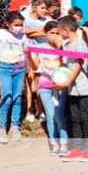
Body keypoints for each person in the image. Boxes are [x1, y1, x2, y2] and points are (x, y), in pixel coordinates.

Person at [56, 16, 88, 161]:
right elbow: (64, 66)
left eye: (60, 31)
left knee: (86, 118)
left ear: (66, 30)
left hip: (83, 87)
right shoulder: (66, 45)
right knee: (75, 119)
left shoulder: (80, 44)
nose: (60, 34)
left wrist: (68, 81)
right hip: (72, 89)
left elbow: (79, 65)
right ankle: (78, 148)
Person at [0, 12, 28, 144]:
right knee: (7, 97)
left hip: (19, 69)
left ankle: (15, 126)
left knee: (17, 97)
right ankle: (1, 127)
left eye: (21, 25)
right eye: (16, 25)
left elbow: (26, 51)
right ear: (8, 24)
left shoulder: (23, 36)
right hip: (5, 68)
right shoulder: (0, 33)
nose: (19, 27)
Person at [27, 20, 68, 155]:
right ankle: (54, 143)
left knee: (59, 115)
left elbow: (66, 65)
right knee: (50, 115)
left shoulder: (64, 47)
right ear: (45, 33)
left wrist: (61, 48)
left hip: (60, 85)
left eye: (57, 33)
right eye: (51, 33)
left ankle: (64, 143)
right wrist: (29, 56)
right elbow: (35, 67)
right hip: (45, 85)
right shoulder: (41, 48)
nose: (54, 35)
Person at [22, 0, 49, 122]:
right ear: (34, 7)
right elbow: (22, 31)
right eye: (42, 8)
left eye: (46, 8)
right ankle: (29, 109)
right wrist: (39, 30)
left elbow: (48, 32)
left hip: (43, 54)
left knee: (40, 82)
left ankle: (41, 110)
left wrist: (31, 32)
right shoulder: (25, 18)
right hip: (29, 54)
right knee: (29, 81)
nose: (44, 10)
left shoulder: (46, 20)